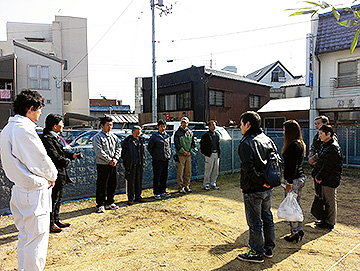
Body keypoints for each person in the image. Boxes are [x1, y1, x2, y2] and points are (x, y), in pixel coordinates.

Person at [0, 90, 58, 271]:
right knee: (36, 239)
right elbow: (39, 160)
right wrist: (52, 176)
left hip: (20, 189)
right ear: (30, 108)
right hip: (33, 191)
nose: (40, 113)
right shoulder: (23, 129)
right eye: (39, 109)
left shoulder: (8, 128)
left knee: (25, 237)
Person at [237, 111, 275, 263]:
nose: (240, 127)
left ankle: (256, 252)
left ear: (248, 124)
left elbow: (248, 168)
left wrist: (260, 181)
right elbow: (274, 163)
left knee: (255, 222)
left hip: (254, 188)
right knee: (267, 218)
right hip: (267, 187)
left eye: (241, 124)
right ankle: (268, 248)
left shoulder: (246, 142)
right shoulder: (267, 139)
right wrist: (267, 181)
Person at [41, 114, 82, 233]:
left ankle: (56, 219)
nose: (63, 125)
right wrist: (66, 161)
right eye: (61, 123)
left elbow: (61, 151)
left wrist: (72, 155)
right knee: (52, 199)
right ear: (54, 126)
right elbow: (54, 156)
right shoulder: (47, 138)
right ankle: (50, 223)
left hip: (60, 173)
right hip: (53, 173)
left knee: (58, 198)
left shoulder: (55, 137)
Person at [312, 125, 342, 230]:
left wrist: (319, 176)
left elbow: (328, 165)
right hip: (324, 178)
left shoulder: (333, 147)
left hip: (329, 179)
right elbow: (321, 162)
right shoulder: (325, 145)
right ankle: (324, 220)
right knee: (324, 200)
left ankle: (330, 222)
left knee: (329, 201)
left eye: (321, 133)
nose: (319, 136)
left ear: (328, 134)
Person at [282, 120, 306, 243]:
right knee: (296, 205)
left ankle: (294, 232)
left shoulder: (293, 145)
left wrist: (289, 183)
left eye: (285, 130)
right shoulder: (299, 143)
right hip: (299, 178)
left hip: (294, 179)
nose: (283, 132)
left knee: (291, 207)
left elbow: (291, 166)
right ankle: (298, 229)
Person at [92, 116, 121, 213]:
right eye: (108, 125)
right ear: (102, 125)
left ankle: (110, 202)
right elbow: (99, 151)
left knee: (112, 183)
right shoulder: (97, 137)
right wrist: (109, 160)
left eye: (111, 125)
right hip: (103, 164)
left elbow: (118, 148)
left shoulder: (114, 137)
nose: (110, 127)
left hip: (113, 164)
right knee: (102, 184)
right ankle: (100, 204)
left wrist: (115, 158)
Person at [147, 119, 172, 200]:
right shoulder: (154, 137)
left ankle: (163, 191)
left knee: (164, 176)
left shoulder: (167, 136)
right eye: (161, 126)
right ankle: (156, 192)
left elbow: (169, 146)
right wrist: (155, 155)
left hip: (165, 158)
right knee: (157, 176)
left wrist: (168, 154)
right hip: (157, 160)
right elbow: (150, 148)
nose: (163, 128)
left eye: (164, 126)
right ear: (158, 127)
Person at [121, 126, 146, 205]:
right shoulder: (127, 141)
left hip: (139, 163)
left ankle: (138, 196)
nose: (138, 135)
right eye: (136, 133)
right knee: (131, 182)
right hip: (131, 164)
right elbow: (123, 153)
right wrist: (127, 162)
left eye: (139, 133)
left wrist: (143, 161)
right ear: (132, 132)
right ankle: (130, 198)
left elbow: (143, 152)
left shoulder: (141, 140)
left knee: (139, 181)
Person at [174, 117, 196, 194]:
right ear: (181, 123)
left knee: (188, 171)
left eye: (185, 122)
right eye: (183, 122)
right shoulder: (177, 133)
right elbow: (177, 144)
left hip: (188, 155)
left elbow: (193, 144)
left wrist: (190, 152)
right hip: (181, 155)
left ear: (188, 123)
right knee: (180, 172)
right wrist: (183, 152)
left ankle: (187, 186)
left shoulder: (190, 132)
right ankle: (180, 187)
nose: (184, 124)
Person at [200, 120, 221, 190]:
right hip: (209, 154)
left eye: (215, 125)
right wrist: (206, 153)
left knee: (215, 170)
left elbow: (218, 145)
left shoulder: (217, 135)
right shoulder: (206, 135)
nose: (214, 127)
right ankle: (206, 184)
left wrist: (218, 153)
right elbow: (202, 145)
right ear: (209, 126)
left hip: (216, 154)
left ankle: (213, 183)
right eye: (212, 125)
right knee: (208, 170)